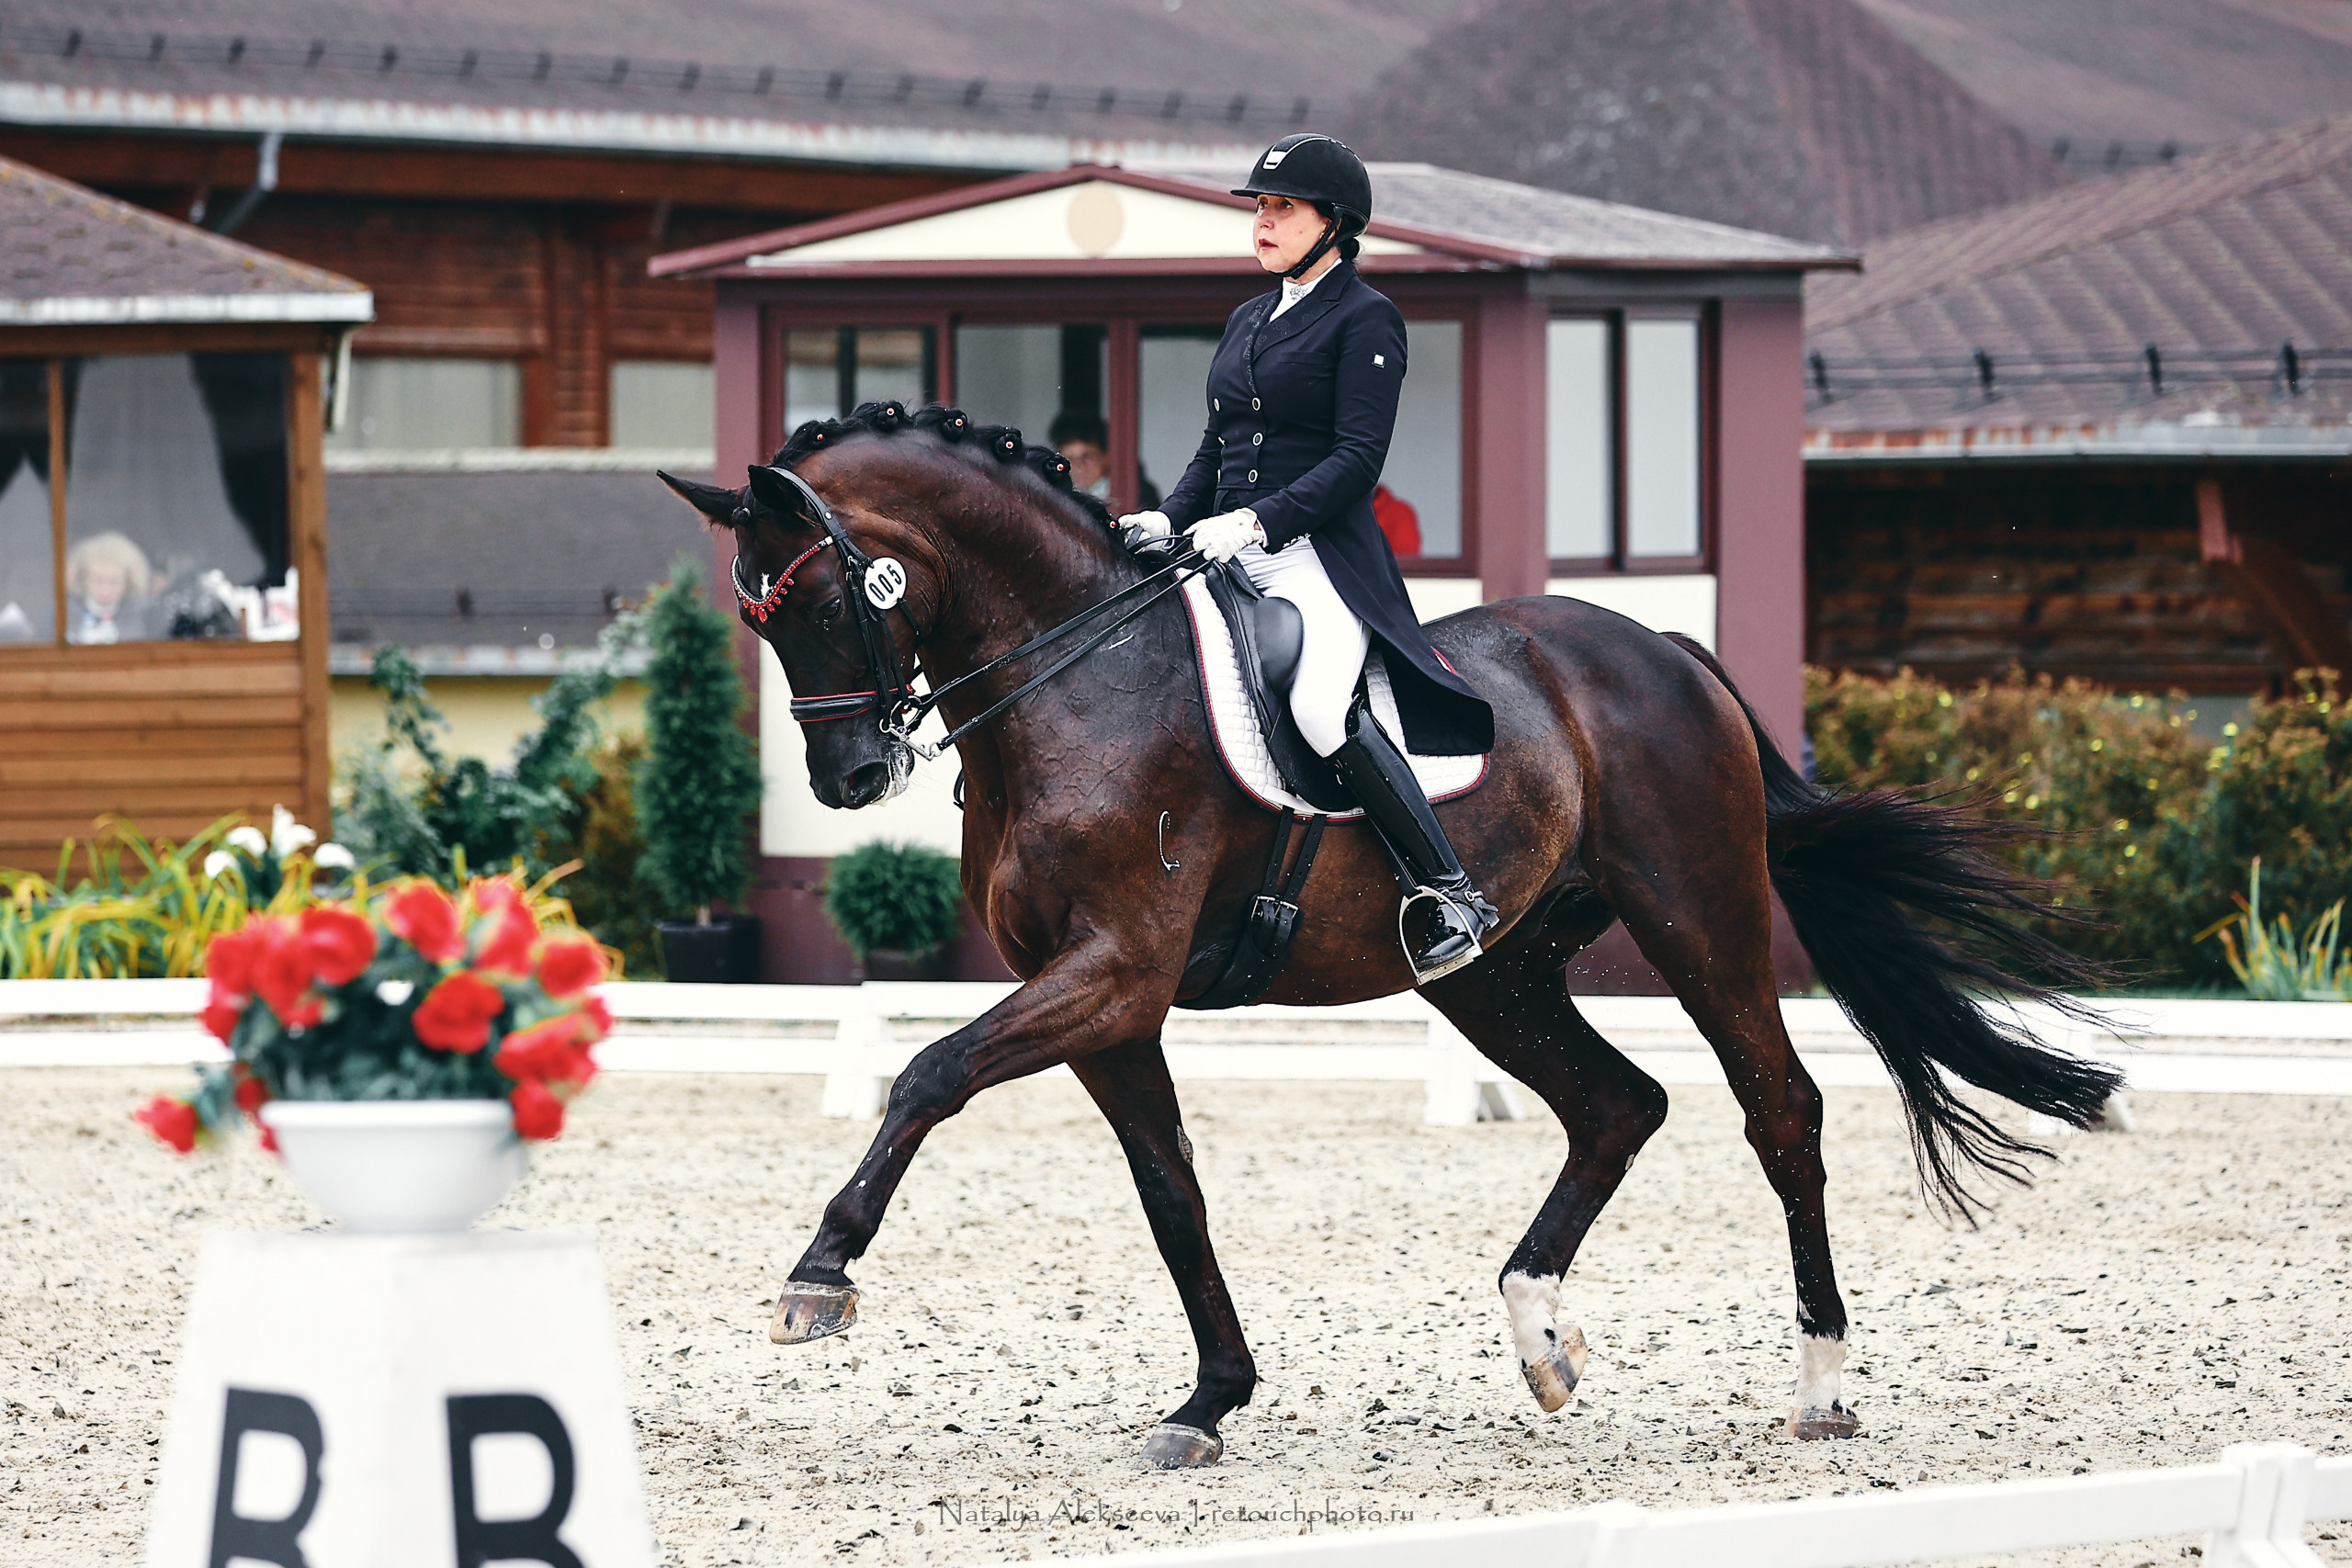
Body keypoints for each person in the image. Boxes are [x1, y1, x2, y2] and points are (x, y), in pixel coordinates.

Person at [1119, 133, 1498, 983]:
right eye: (1259, 207)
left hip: (1316, 558)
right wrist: (1170, 517)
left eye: (1280, 208)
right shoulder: (1249, 317)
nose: (1263, 221)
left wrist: (1255, 522)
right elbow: (1216, 446)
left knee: (1324, 708)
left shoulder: (1368, 319)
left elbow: (1357, 460)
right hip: (1225, 552)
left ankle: (1447, 889)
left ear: (1334, 223)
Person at [1049, 410, 1159, 509]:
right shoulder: (1052, 495)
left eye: (1088, 456)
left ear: (1106, 456)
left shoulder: (1136, 492)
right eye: (1069, 458)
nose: (1079, 466)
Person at [64, 531, 153, 645]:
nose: (105, 592)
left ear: (129, 582)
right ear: (82, 578)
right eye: (97, 581)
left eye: (114, 582)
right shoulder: (63, 614)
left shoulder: (145, 615)